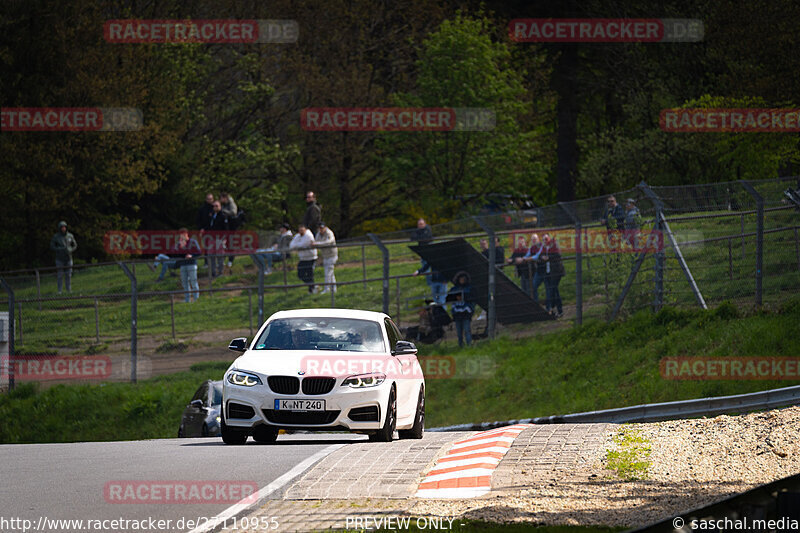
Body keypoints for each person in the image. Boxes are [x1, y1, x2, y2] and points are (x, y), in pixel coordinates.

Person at [172, 228, 201, 302]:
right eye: (181, 235)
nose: (182, 236)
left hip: (191, 264)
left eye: (184, 234)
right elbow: (174, 253)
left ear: (187, 234)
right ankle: (187, 299)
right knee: (184, 283)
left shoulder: (193, 241)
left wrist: (192, 255)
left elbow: (199, 252)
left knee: (193, 281)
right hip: (183, 264)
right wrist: (180, 248)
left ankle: (196, 299)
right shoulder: (179, 243)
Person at [448, 271, 475, 347]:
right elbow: (449, 298)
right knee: (459, 332)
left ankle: (469, 345)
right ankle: (460, 345)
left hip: (466, 313)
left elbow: (472, 298)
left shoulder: (469, 288)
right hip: (457, 313)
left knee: (467, 330)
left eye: (464, 279)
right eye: (461, 279)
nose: (462, 280)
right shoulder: (454, 289)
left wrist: (464, 297)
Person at [541, 233, 565, 317]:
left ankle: (551, 309)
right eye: (543, 239)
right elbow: (540, 255)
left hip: (556, 271)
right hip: (549, 272)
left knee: (552, 290)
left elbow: (558, 254)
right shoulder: (544, 248)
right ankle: (559, 311)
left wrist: (548, 258)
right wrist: (542, 258)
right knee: (555, 291)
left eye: (546, 239)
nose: (545, 241)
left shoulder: (554, 245)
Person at [50, 221, 77, 293]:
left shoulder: (70, 236)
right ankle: (60, 291)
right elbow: (52, 246)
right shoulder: (56, 237)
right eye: (62, 227)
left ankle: (69, 289)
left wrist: (71, 249)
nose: (63, 228)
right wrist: (59, 249)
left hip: (68, 258)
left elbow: (74, 245)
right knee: (60, 275)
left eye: (64, 227)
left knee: (68, 274)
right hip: (59, 259)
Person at [290, 223, 317, 293]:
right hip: (302, 258)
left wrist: (297, 245)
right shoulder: (298, 236)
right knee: (300, 275)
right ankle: (313, 285)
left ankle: (311, 290)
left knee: (309, 274)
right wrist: (298, 245)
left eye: (302, 229)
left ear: (305, 229)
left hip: (310, 257)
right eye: (300, 230)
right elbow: (291, 245)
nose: (301, 231)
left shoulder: (308, 235)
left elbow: (304, 244)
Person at [206, 200, 230, 277]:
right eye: (214, 206)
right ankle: (213, 272)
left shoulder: (223, 215)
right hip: (211, 238)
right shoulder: (211, 215)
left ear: (220, 206)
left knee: (220, 256)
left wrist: (224, 239)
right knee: (211, 256)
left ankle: (220, 272)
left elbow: (226, 229)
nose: (215, 207)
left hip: (219, 239)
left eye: (216, 206)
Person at [314, 222, 338, 293]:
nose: (321, 229)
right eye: (320, 228)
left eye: (322, 228)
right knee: (331, 273)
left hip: (332, 255)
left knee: (328, 273)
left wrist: (318, 243)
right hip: (325, 256)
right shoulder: (318, 234)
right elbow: (316, 242)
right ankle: (334, 289)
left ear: (325, 227)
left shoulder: (329, 233)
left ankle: (326, 289)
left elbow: (329, 241)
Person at [523, 234, 546, 303]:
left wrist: (528, 259)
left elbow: (537, 256)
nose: (533, 241)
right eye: (532, 239)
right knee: (533, 286)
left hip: (546, 270)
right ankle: (536, 302)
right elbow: (527, 255)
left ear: (538, 239)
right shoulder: (532, 247)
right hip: (539, 270)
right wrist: (523, 258)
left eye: (535, 239)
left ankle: (551, 304)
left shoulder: (542, 246)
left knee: (550, 288)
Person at [219, 192, 238, 268]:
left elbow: (234, 212)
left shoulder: (231, 204)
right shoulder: (224, 205)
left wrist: (223, 211)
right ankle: (223, 259)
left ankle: (230, 260)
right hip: (225, 227)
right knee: (224, 244)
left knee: (230, 244)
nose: (220, 200)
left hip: (232, 227)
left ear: (225, 198)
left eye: (221, 198)